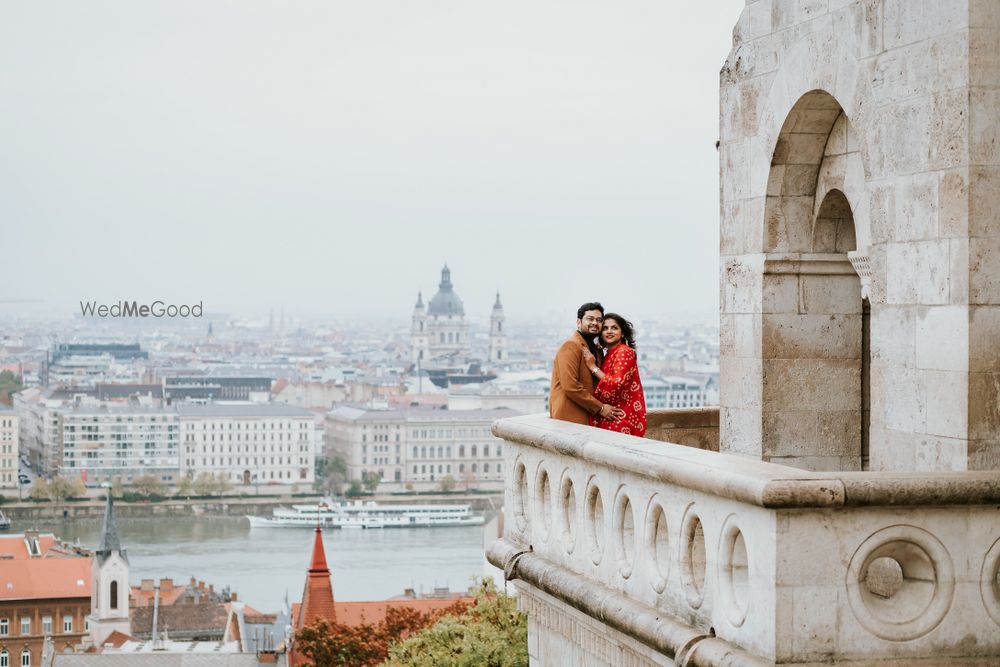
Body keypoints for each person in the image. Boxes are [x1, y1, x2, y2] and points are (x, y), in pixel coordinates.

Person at [550, 302, 626, 425]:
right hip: (569, 419)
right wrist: (600, 408)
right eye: (590, 319)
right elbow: (570, 386)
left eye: (599, 320)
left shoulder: (597, 349)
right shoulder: (570, 345)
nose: (595, 323)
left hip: (588, 416)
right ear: (579, 322)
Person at [583, 312, 646, 437]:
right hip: (613, 416)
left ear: (622, 333)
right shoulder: (610, 353)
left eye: (614, 328)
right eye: (605, 328)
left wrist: (593, 367)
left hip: (621, 417)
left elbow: (616, 383)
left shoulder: (624, 351)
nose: (609, 331)